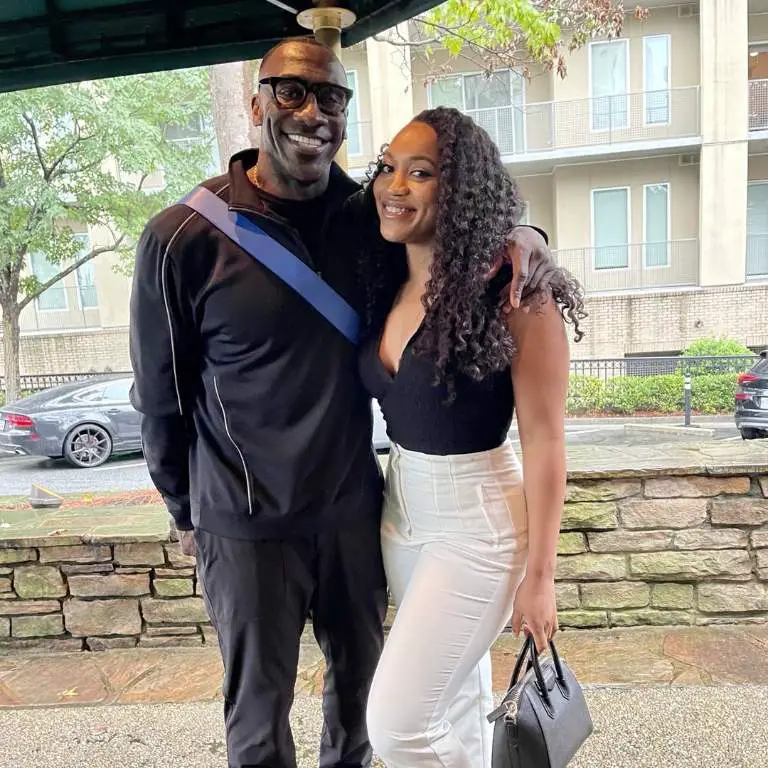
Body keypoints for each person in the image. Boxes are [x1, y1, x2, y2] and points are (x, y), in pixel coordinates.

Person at [129, 38, 558, 768]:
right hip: (245, 525)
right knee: (259, 725)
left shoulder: (365, 218)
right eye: (291, 92)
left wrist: (527, 234)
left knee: (367, 717)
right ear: (254, 101)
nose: (312, 111)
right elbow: (161, 401)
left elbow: (456, 218)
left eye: (331, 97)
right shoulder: (185, 237)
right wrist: (185, 515)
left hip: (356, 516)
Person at [359, 107, 586, 768]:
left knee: (399, 728)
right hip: (401, 515)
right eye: (388, 167)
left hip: (478, 524)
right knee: (450, 704)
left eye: (420, 173)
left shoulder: (519, 295)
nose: (394, 185)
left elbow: (545, 442)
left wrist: (540, 578)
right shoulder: (384, 271)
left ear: (459, 192)